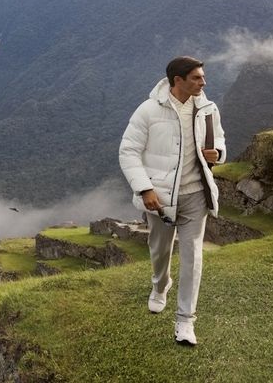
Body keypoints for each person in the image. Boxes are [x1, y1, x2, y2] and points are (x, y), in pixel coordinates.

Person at [118, 56, 226, 347]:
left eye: (203, 77)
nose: (204, 83)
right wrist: (145, 189)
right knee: (160, 250)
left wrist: (218, 152)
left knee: (192, 255)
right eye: (197, 78)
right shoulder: (148, 111)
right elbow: (128, 151)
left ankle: (185, 321)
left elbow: (220, 142)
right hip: (161, 198)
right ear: (177, 81)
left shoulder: (207, 108)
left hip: (196, 196)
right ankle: (160, 285)